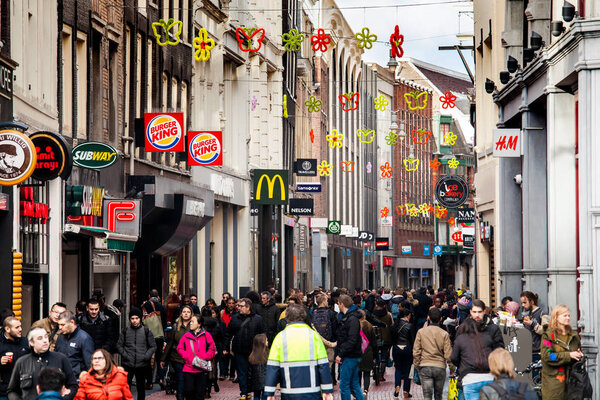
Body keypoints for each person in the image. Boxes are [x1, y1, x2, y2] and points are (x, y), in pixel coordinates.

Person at [263, 304, 333, 400]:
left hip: (289, 392)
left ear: (287, 317)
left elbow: (273, 368)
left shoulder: (280, 337)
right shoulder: (314, 336)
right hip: (312, 391)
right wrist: (327, 390)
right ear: (303, 316)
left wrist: (269, 392)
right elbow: (323, 365)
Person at [7, 327, 77, 400]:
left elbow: (73, 386)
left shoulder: (61, 359)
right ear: (31, 342)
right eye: (40, 338)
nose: (45, 341)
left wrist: (65, 398)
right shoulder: (22, 362)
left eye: (46, 337)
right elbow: (12, 391)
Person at [451, 313, 503, 400]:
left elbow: (453, 358)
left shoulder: (461, 339)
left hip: (469, 378)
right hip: (488, 376)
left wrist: (461, 364)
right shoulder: (487, 337)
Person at [225, 298, 265, 400]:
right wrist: (226, 347)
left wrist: (262, 348)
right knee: (242, 372)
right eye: (238, 306)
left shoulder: (258, 319)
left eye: (241, 306)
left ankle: (250, 391)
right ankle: (244, 392)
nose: (239, 308)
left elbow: (262, 334)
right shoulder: (235, 318)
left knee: (254, 373)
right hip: (239, 349)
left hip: (254, 351)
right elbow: (228, 333)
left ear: (248, 307)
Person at [541, 304, 582, 400]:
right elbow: (548, 356)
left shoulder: (574, 335)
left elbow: (577, 353)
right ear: (556, 317)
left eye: (569, 315)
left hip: (572, 383)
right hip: (554, 384)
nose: (568, 318)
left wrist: (579, 355)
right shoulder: (548, 336)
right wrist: (569, 355)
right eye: (564, 315)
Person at [413, 308, 454, 400]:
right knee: (438, 395)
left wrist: (417, 365)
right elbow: (448, 353)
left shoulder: (421, 332)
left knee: (427, 395)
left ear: (428, 317)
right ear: (440, 319)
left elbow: (416, 351)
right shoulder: (444, 334)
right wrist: (452, 368)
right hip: (439, 366)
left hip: (425, 365)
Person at [116, 308, 156, 400]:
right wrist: (126, 356)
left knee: (141, 388)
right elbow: (119, 345)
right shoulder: (125, 331)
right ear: (130, 319)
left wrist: (145, 357)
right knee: (126, 387)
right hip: (128, 364)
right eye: (132, 318)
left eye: (136, 318)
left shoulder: (146, 331)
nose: (134, 321)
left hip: (142, 364)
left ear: (140, 318)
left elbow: (153, 346)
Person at [177, 314, 216, 400]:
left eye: (193, 322)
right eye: (190, 322)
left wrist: (205, 356)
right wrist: (187, 356)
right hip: (188, 368)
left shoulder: (206, 335)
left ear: (199, 324)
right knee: (189, 391)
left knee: (200, 393)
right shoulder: (186, 336)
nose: (190, 323)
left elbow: (212, 349)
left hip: (201, 369)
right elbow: (179, 348)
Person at [335, 294, 364, 400]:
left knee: (345, 385)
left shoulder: (351, 319)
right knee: (354, 384)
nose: (337, 306)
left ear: (342, 304)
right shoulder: (353, 317)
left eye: (338, 303)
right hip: (354, 354)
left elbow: (351, 340)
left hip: (349, 356)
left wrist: (340, 353)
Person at [161, 305, 192, 400]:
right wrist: (163, 358)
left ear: (191, 314)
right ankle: (180, 397)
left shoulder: (194, 326)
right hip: (177, 357)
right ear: (181, 314)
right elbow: (170, 343)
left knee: (189, 381)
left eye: (188, 312)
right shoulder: (176, 326)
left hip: (190, 358)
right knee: (180, 379)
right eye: (184, 312)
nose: (186, 314)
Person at [55, 311, 94, 376]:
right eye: (59, 325)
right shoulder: (60, 336)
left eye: (62, 325)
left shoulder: (84, 338)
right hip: (60, 377)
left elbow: (89, 363)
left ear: (72, 322)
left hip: (77, 378)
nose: (60, 327)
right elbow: (55, 356)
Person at [141, 290, 167, 389]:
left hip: (147, 335)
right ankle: (161, 378)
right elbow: (164, 323)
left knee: (147, 358)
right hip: (159, 335)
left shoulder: (144, 305)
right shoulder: (161, 307)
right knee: (159, 357)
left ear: (149, 296)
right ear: (158, 296)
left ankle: (149, 381)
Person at [0, 317, 29, 400]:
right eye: (17, 327)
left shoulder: (25, 341)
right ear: (7, 329)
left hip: (23, 388)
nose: (20, 329)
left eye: (20, 326)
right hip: (4, 390)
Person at [391, 309, 414, 399]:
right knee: (407, 370)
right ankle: (406, 390)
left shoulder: (394, 325)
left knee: (398, 368)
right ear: (408, 315)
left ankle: (397, 385)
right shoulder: (410, 326)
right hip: (407, 348)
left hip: (396, 348)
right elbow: (412, 340)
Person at [200, 307, 223, 397]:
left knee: (202, 368)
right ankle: (210, 387)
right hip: (214, 347)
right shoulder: (215, 322)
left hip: (202, 347)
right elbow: (220, 334)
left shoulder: (201, 322)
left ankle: (204, 388)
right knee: (212, 367)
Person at [311, 294, 338, 370]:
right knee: (329, 365)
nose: (327, 302)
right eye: (326, 300)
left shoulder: (313, 314)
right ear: (323, 301)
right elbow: (335, 329)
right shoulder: (331, 313)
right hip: (329, 344)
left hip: (317, 344)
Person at [520, 291, 544, 365]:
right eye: (522, 303)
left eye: (524, 302)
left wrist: (532, 324)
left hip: (538, 351)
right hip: (529, 350)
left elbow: (545, 331)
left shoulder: (542, 313)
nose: (522, 305)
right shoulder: (529, 313)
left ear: (532, 302)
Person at [372, 299, 393, 379]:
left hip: (375, 337)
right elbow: (391, 326)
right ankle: (381, 374)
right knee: (384, 357)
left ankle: (375, 370)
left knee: (376, 355)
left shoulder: (373, 315)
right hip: (386, 338)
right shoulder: (388, 315)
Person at [358, 311, 375, 397]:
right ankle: (365, 390)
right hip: (368, 351)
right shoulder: (369, 325)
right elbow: (373, 341)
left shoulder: (355, 326)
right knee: (367, 373)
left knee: (358, 373)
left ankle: (358, 390)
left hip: (358, 351)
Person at [218, 298, 236, 381]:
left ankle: (232, 374)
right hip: (223, 335)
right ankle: (223, 373)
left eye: (232, 303)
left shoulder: (237, 313)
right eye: (229, 303)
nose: (231, 305)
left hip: (233, 335)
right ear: (227, 304)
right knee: (223, 355)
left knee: (232, 356)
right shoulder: (222, 312)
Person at [247, 334, 267, 400]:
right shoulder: (267, 355)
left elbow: (249, 373)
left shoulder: (252, 356)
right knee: (264, 396)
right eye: (266, 340)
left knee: (256, 396)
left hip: (255, 382)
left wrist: (249, 385)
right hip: (265, 381)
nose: (267, 342)